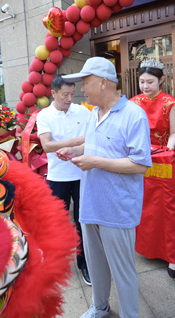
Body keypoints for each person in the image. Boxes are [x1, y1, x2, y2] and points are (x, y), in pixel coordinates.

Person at [58, 57, 152, 318]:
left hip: (117, 207)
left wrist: (95, 162)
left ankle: (129, 314)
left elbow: (140, 164)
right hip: (90, 204)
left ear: (103, 83)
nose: (82, 89)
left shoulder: (134, 114)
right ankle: (99, 306)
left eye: (85, 83)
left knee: (123, 270)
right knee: (96, 264)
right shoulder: (93, 114)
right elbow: (93, 145)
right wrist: (74, 150)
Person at [129, 58, 175, 278]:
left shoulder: (171, 103)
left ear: (162, 80)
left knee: (169, 203)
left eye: (150, 82)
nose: (145, 86)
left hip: (165, 157)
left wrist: (167, 148)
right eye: (142, 82)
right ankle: (147, 247)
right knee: (144, 200)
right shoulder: (133, 103)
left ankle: (174, 255)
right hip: (141, 157)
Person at [36, 75, 92, 285]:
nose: (70, 98)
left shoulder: (83, 111)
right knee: (56, 221)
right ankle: (55, 263)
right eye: (65, 94)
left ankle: (84, 262)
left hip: (81, 174)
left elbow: (92, 136)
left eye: (72, 94)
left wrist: (72, 143)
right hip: (58, 176)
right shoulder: (44, 115)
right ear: (53, 93)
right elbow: (47, 145)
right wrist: (77, 140)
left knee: (81, 221)